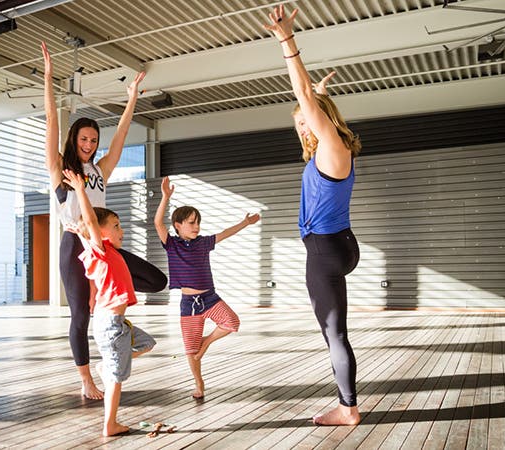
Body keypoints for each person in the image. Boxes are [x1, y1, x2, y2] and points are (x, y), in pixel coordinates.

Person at [42, 41, 167, 400]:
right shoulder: (60, 169)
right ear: (74, 139)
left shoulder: (99, 170)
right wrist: (50, 78)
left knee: (156, 280)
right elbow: (51, 121)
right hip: (75, 245)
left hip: (105, 246)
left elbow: (124, 135)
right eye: (84, 138)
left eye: (94, 140)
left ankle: (116, 322)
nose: (90, 144)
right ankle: (86, 379)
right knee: (79, 314)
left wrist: (132, 98)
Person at [263, 6, 363, 426]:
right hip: (340, 243)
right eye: (300, 124)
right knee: (334, 330)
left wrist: (287, 41)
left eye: (308, 121)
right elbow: (310, 105)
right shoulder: (335, 148)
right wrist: (317, 97)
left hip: (324, 250)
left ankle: (347, 408)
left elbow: (305, 99)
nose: (303, 128)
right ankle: (346, 404)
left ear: (323, 119)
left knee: (333, 333)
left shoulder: (331, 147)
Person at [64, 168, 155, 437]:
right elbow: (91, 223)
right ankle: (110, 424)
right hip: (111, 325)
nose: (122, 230)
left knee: (148, 343)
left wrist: (78, 229)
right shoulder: (101, 251)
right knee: (117, 380)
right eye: (116, 226)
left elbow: (87, 228)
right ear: (101, 234)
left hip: (118, 323)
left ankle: (107, 365)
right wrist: (81, 190)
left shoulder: (107, 251)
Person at [154, 176, 259, 399]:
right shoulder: (171, 244)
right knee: (191, 351)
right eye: (191, 222)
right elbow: (157, 223)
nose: (196, 226)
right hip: (189, 305)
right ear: (178, 226)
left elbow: (225, 233)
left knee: (232, 322)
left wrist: (245, 223)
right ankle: (199, 384)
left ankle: (206, 343)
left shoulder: (203, 242)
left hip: (210, 298)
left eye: (198, 222)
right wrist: (165, 197)